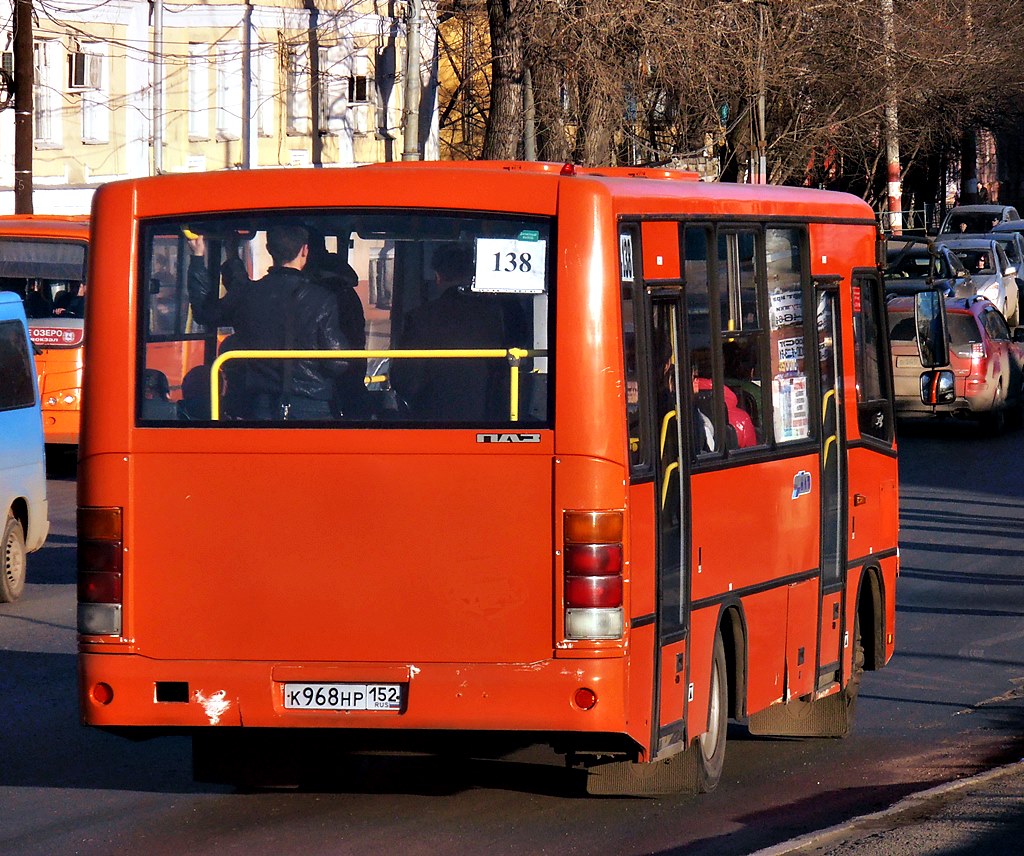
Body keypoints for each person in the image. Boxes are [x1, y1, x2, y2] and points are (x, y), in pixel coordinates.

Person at [190, 224, 351, 420]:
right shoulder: (323, 299)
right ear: (305, 250)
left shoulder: (248, 294)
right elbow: (337, 362)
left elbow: (204, 313)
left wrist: (198, 258)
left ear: (269, 250)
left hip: (260, 406)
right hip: (312, 406)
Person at [391, 243, 508, 420]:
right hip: (493, 416)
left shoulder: (421, 317)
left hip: (435, 417)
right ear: (471, 275)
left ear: (438, 277)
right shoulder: (499, 315)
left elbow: (406, 379)